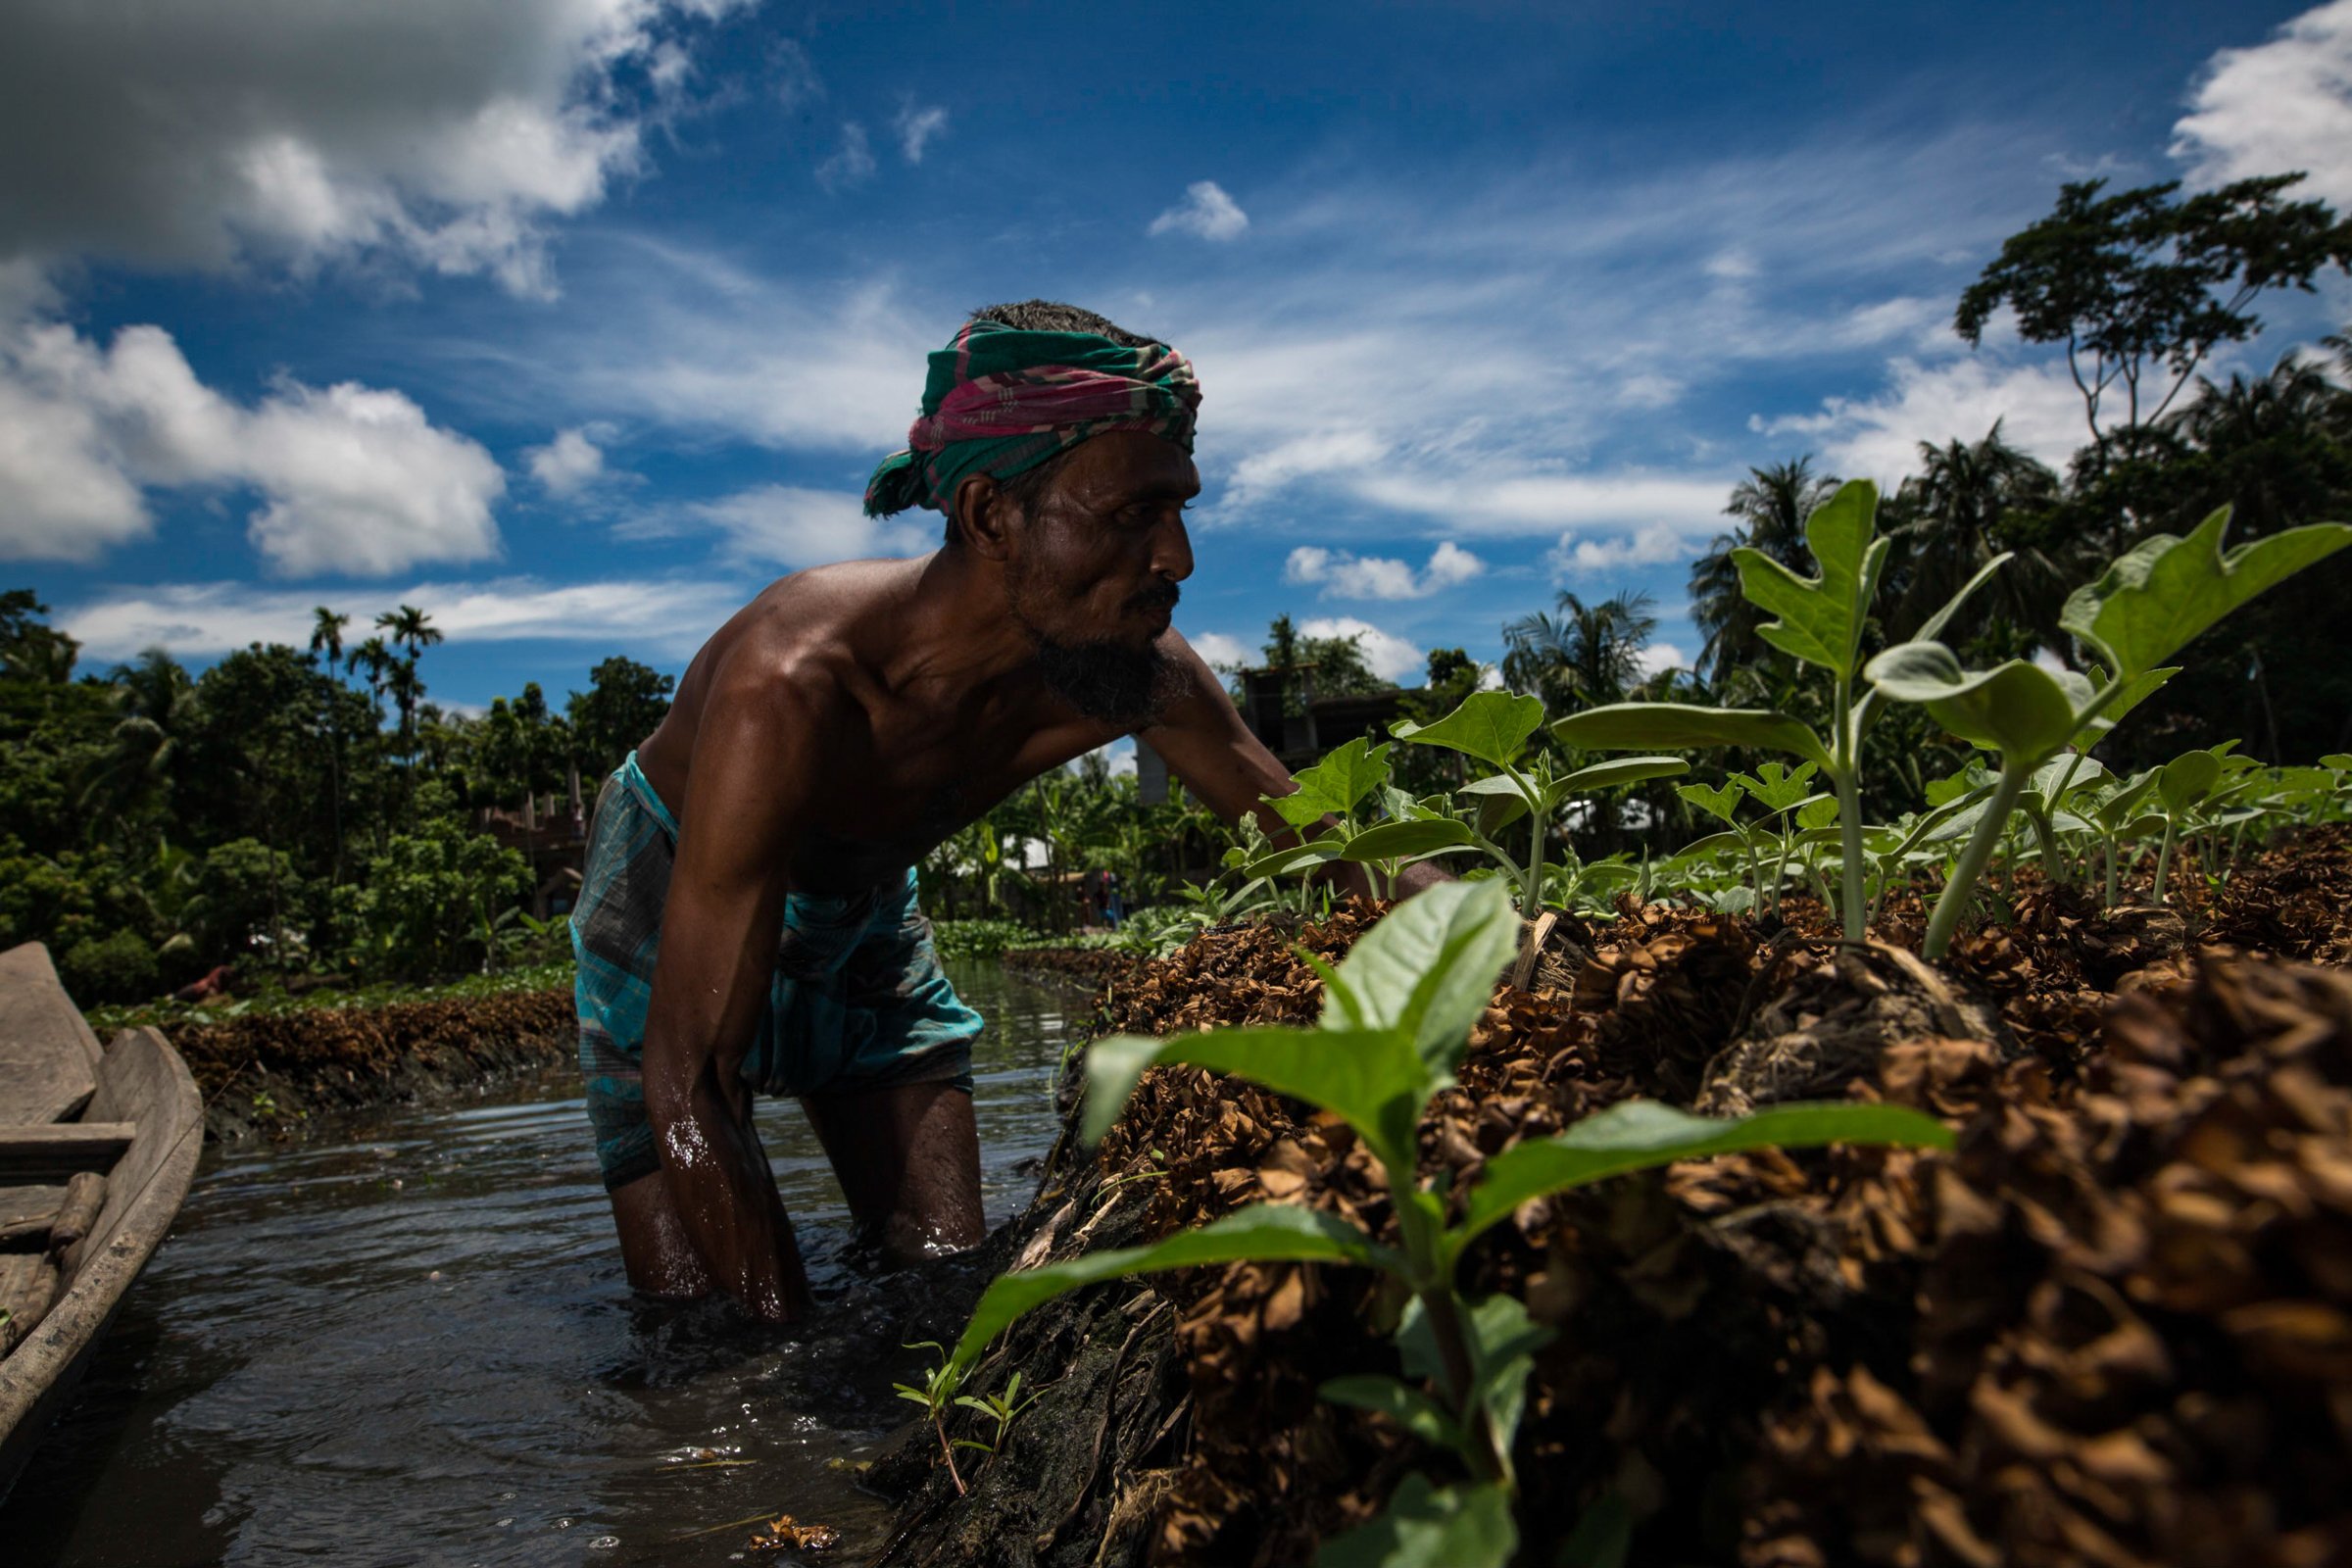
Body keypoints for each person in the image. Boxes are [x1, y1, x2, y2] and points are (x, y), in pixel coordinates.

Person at [570, 301, 1438, 1322]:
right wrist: (781, 1368)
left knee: (944, 1288)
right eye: (1131, 516)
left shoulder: (1128, 671)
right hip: (674, 896)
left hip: (865, 911)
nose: (1179, 558)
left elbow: (1326, 844)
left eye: (1180, 509)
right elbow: (690, 1076)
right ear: (989, 515)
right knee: (706, 1342)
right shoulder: (794, 685)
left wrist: (1520, 934)